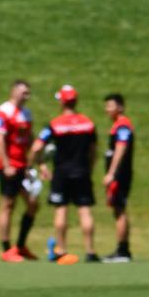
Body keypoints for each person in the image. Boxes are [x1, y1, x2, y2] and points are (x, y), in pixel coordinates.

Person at [30, 84, 101, 264]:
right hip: (82, 171)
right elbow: (93, 150)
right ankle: (90, 251)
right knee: (85, 210)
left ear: (62, 102)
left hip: (61, 172)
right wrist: (90, 168)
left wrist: (40, 164)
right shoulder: (88, 123)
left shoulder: (55, 124)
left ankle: (61, 249)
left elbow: (37, 147)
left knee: (61, 209)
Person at [0, 79, 40, 262]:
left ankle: (20, 245)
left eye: (28, 93)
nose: (27, 96)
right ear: (14, 92)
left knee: (33, 204)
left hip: (23, 167)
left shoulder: (26, 113)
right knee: (8, 205)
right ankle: (6, 249)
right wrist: (6, 164)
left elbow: (29, 139)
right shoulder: (3, 111)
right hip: (8, 166)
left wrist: (34, 163)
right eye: (24, 92)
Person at [101, 92, 135, 262]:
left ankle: (122, 251)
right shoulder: (117, 125)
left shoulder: (123, 126)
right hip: (118, 175)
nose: (107, 109)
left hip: (120, 175)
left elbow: (121, 147)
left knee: (119, 209)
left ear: (120, 107)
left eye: (110, 105)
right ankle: (123, 249)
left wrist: (111, 173)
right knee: (118, 209)